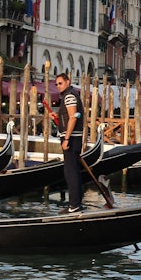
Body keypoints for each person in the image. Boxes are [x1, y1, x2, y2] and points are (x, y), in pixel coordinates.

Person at [55, 72, 85, 213]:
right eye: (56, 84)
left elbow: (73, 118)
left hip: (72, 139)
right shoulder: (71, 95)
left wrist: (66, 138)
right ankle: (77, 203)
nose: (58, 86)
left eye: (60, 83)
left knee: (70, 172)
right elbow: (69, 117)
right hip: (74, 137)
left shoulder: (69, 96)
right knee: (74, 172)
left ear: (67, 82)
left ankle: (74, 205)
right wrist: (56, 116)